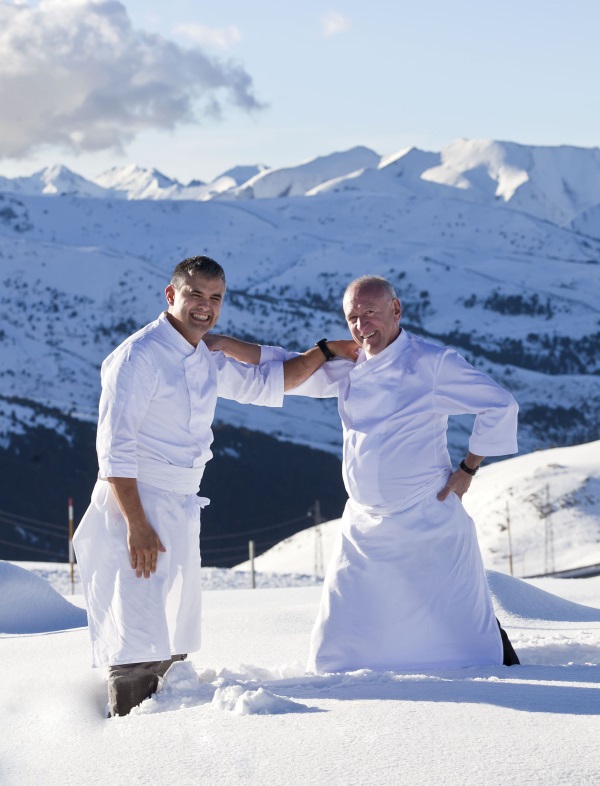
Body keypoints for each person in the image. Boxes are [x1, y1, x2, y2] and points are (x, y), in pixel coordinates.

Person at [73, 255, 356, 716]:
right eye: (195, 294)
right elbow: (114, 450)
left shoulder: (203, 356)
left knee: (173, 630)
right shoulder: (138, 356)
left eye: (215, 297)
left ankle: (164, 730)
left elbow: (274, 381)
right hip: (135, 505)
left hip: (180, 504)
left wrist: (324, 352)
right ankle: (124, 741)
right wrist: (137, 525)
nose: (205, 306)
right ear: (171, 295)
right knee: (137, 634)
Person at [209, 275, 520, 673]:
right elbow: (283, 365)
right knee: (344, 633)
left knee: (453, 626)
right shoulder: (351, 365)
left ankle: (493, 671)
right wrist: (221, 345)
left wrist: (467, 469)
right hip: (363, 525)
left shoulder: (433, 363)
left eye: (370, 312)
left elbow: (499, 405)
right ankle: (350, 686)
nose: (360, 325)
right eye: (352, 317)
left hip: (425, 517)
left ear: (396, 309)